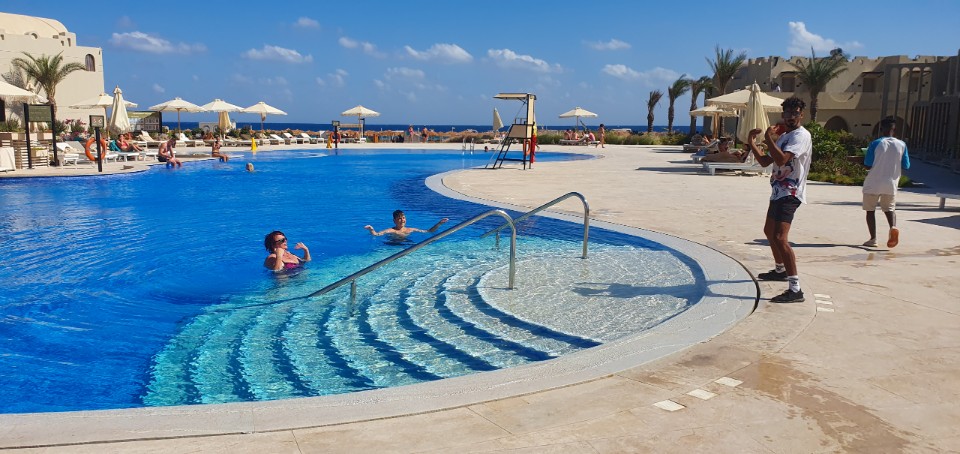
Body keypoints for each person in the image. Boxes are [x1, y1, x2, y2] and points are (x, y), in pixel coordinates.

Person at [745, 96, 812, 303]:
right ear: (783, 114)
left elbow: (782, 160)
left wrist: (768, 138)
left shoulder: (801, 136)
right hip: (778, 191)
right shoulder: (784, 137)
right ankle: (780, 270)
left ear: (801, 115)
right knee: (769, 232)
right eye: (788, 113)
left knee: (781, 237)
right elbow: (766, 161)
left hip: (791, 192)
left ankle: (795, 289)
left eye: (795, 113)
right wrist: (751, 142)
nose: (791, 117)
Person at [861, 116, 910, 248]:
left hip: (873, 182)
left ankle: (873, 239)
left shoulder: (875, 143)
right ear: (894, 129)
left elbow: (868, 164)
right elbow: (906, 165)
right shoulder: (902, 145)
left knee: (870, 210)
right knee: (889, 209)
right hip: (891, 183)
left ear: (882, 128)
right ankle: (893, 227)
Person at [365, 210, 449, 242]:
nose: (402, 220)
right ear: (394, 221)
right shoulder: (391, 230)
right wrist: (371, 229)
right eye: (399, 218)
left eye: (403, 218)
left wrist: (439, 223)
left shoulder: (410, 229)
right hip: (392, 244)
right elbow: (376, 234)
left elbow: (428, 231)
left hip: (405, 243)